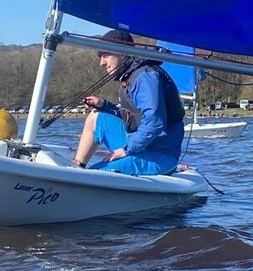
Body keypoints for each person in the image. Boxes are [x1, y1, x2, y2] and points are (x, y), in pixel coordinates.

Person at [72, 29, 185, 175]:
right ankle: (78, 166)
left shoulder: (144, 77)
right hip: (142, 146)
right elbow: (133, 119)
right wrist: (104, 106)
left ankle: (79, 180)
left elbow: (155, 122)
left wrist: (126, 150)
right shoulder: (130, 77)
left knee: (96, 172)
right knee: (96, 116)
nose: (102, 63)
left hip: (160, 157)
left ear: (122, 53)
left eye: (106, 55)